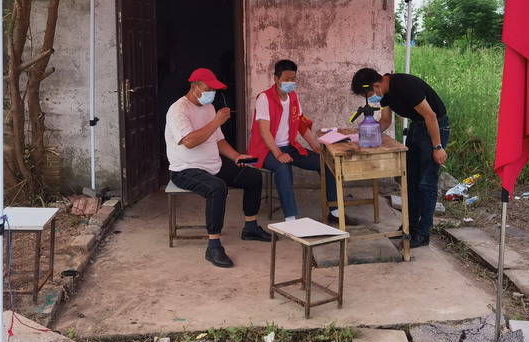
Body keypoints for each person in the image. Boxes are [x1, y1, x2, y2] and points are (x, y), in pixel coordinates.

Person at [165, 68, 271, 268]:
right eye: (208, 89)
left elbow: (219, 140)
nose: (211, 93)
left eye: (214, 90)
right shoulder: (178, 110)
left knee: (253, 177)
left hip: (213, 164)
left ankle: (251, 227)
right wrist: (215, 122)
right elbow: (189, 141)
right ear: (194, 87)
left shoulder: (209, 107)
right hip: (185, 169)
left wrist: (237, 156)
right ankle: (213, 246)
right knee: (217, 188)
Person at [350, 68, 449, 248]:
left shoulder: (405, 85)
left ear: (376, 85)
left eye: (369, 95)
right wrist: (365, 136)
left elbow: (431, 115)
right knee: (410, 180)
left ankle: (423, 233)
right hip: (417, 127)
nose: (370, 99)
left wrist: (438, 147)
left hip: (434, 127)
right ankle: (409, 227)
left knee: (426, 182)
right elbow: (385, 121)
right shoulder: (384, 94)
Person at [247, 59, 353, 224]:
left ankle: (335, 212)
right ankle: (291, 220)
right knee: (283, 168)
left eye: (293, 79)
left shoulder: (293, 96)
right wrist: (278, 154)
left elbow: (301, 125)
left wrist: (315, 147)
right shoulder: (264, 98)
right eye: (287, 79)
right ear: (276, 79)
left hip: (289, 147)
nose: (290, 82)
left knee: (326, 162)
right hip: (266, 150)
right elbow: (264, 131)